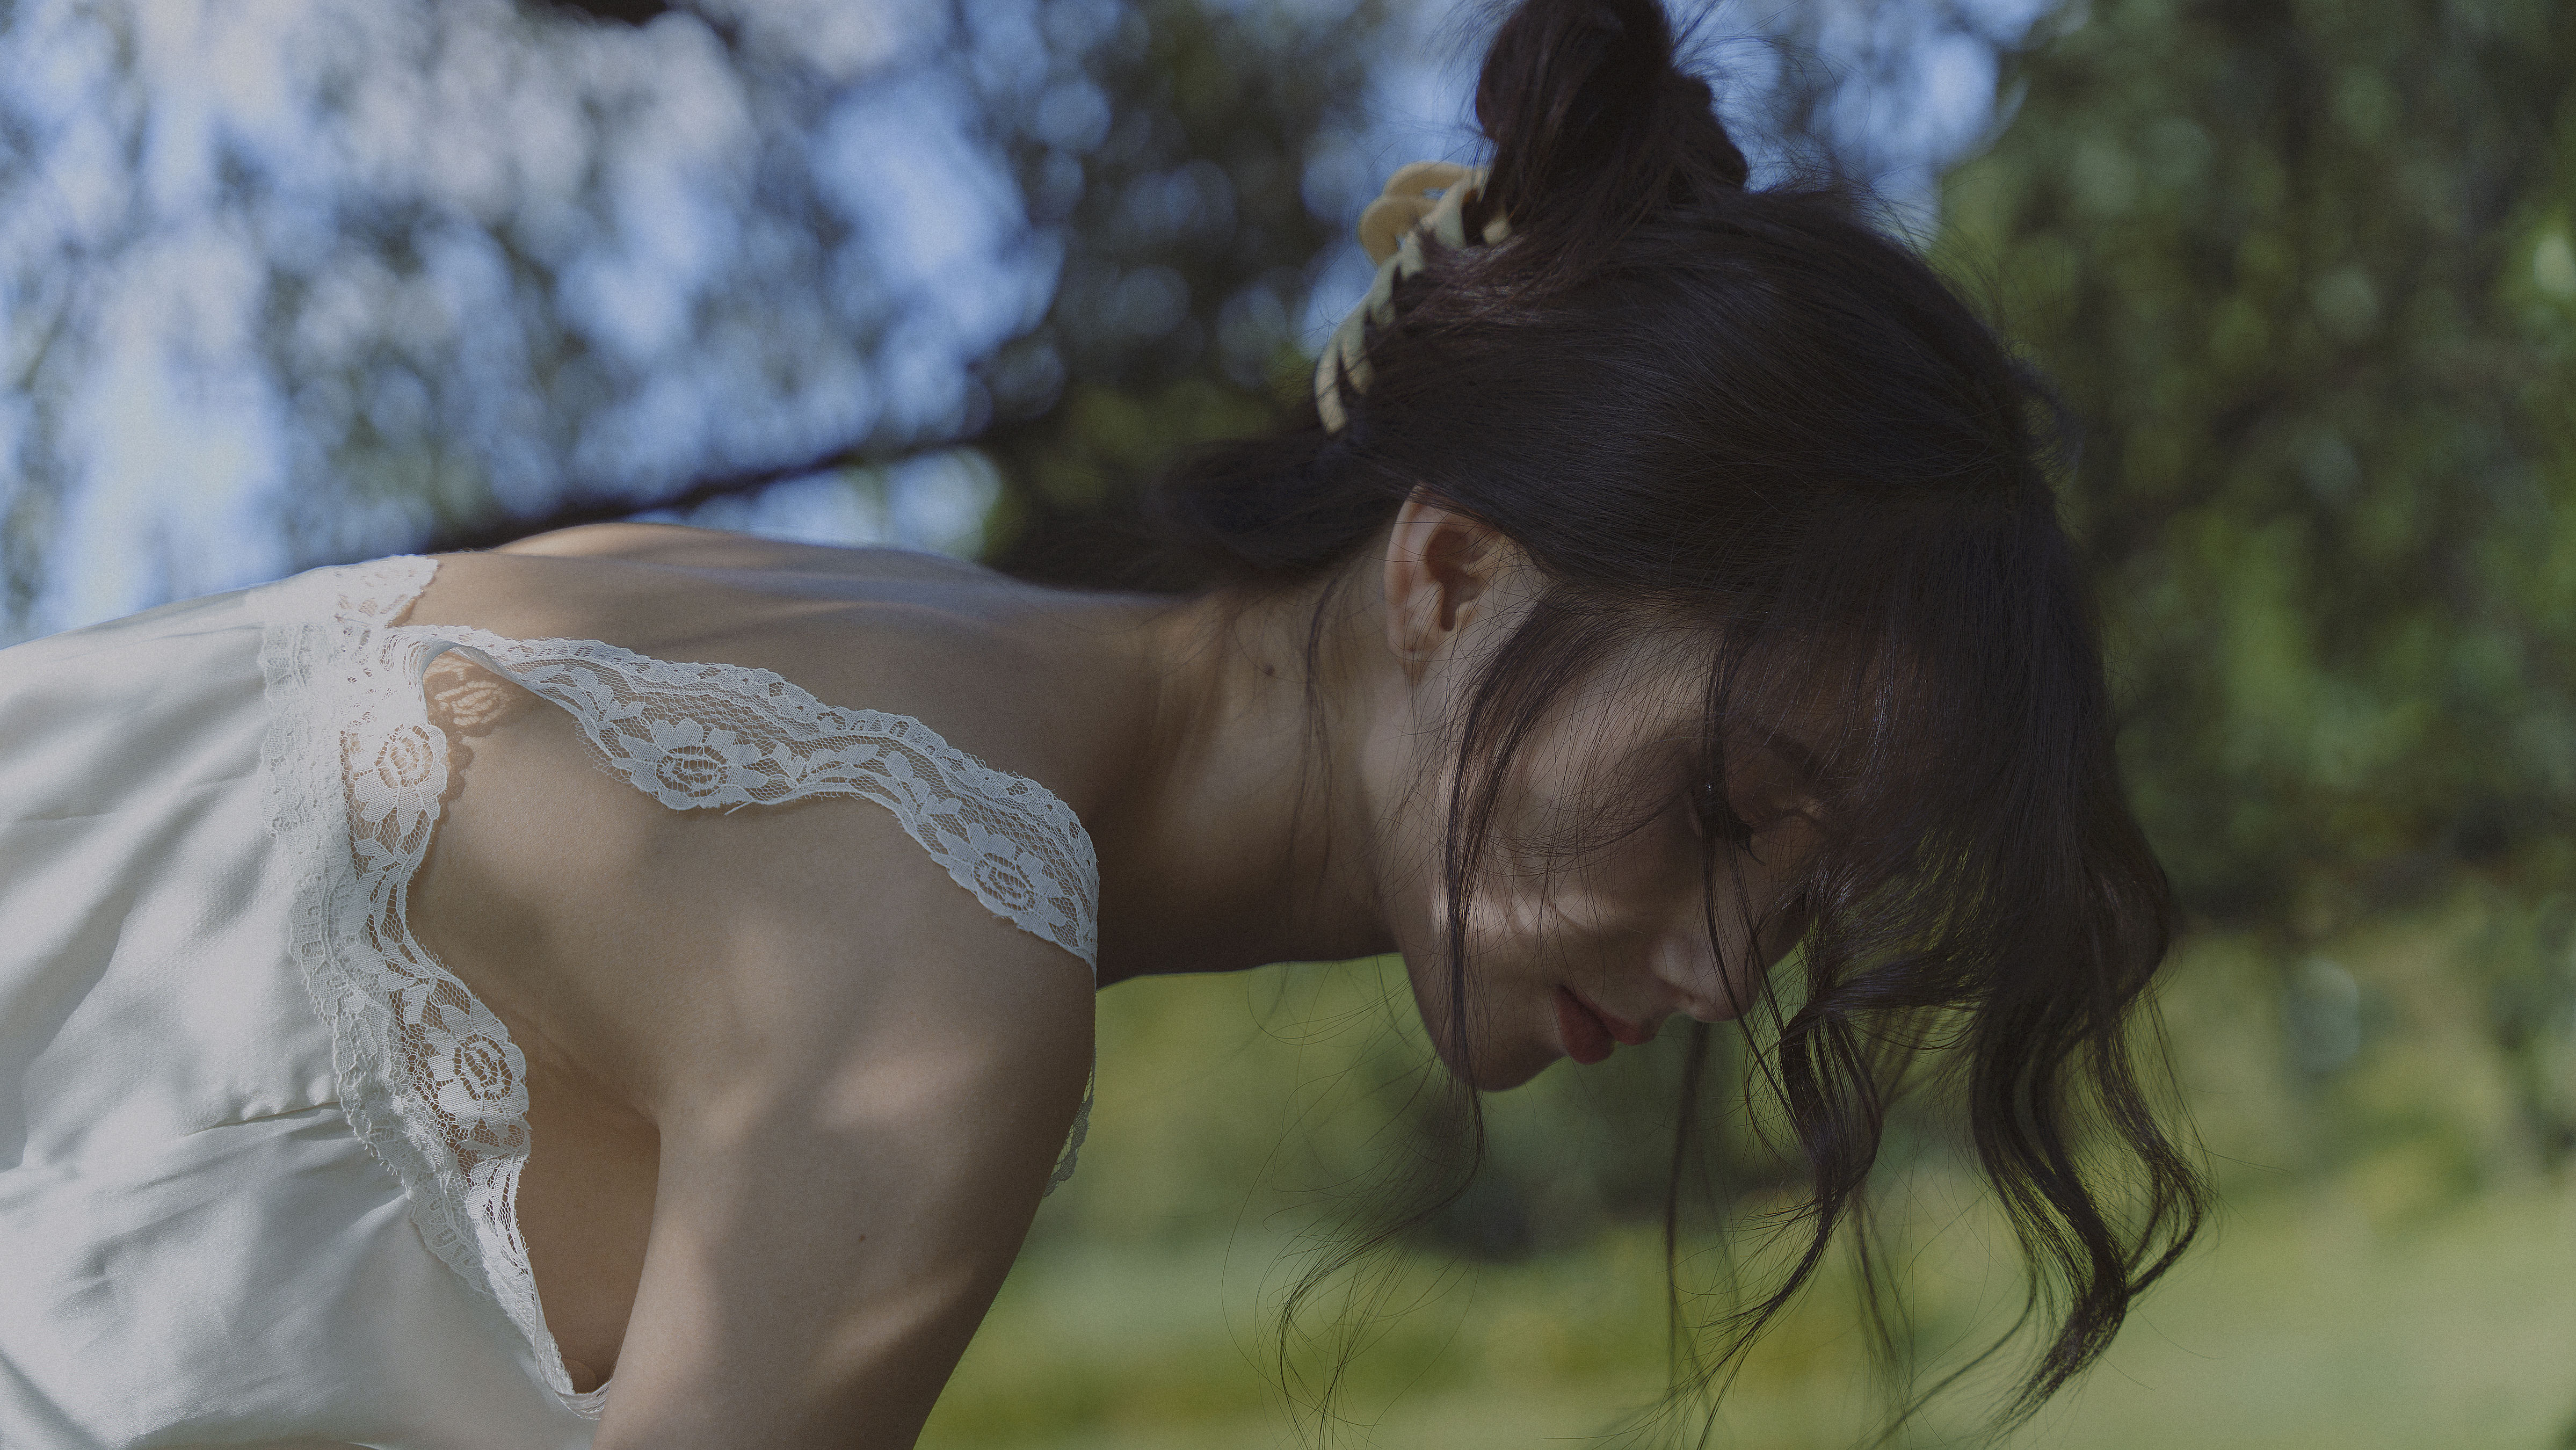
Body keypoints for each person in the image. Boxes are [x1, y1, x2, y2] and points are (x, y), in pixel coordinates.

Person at [0, 0, 2204, 1445]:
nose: (1734, 971)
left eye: (1814, 901)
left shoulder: (862, 640)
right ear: (1448, 571)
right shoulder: (941, 950)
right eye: (1723, 807)